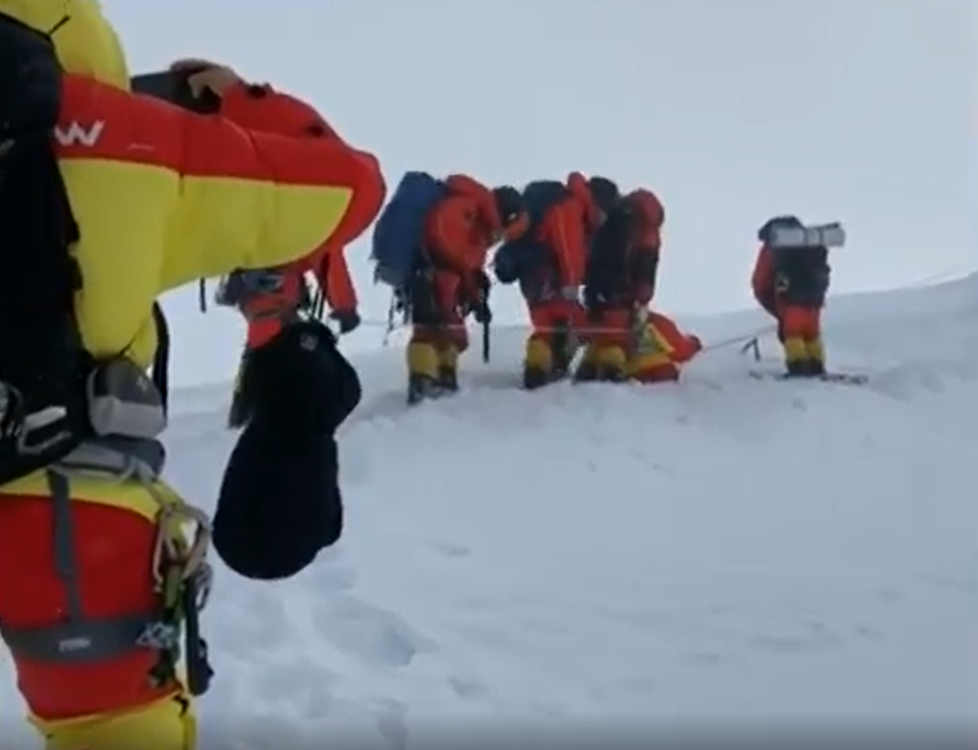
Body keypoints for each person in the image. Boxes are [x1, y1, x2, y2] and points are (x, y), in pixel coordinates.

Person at [0, 6, 384, 750]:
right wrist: (238, 100)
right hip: (70, 512)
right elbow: (347, 189)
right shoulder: (133, 138)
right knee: (114, 729)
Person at [404, 176, 523, 403]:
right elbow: (452, 251)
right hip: (439, 279)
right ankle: (428, 380)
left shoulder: (474, 218)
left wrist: (475, 291)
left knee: (437, 330)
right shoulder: (469, 208)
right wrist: (471, 281)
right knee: (436, 331)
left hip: (428, 277)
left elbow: (465, 260)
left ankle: (435, 375)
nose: (499, 237)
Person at [493, 174, 618, 389]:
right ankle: (552, 366)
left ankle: (540, 364)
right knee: (574, 323)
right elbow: (570, 248)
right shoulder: (569, 207)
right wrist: (571, 282)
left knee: (547, 324)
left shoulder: (551, 204)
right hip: (554, 278)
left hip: (534, 278)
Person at [577, 187, 666, 382]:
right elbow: (645, 271)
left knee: (600, 333)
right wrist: (642, 300)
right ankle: (611, 373)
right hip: (620, 296)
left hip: (594, 292)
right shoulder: (646, 232)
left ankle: (588, 369)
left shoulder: (610, 217)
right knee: (615, 338)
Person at [751, 215, 833, 376]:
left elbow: (761, 281)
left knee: (792, 333)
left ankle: (798, 365)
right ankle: (816, 364)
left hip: (790, 299)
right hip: (814, 299)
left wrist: (774, 306)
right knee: (811, 333)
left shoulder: (773, 247)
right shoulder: (808, 242)